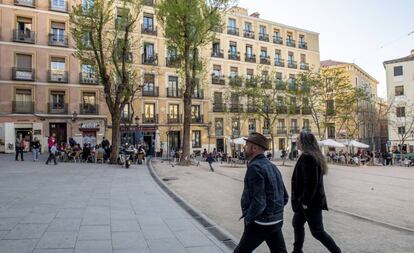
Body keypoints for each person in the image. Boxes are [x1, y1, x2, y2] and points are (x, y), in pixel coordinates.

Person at [234, 132, 288, 253]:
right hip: (277, 220)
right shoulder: (272, 166)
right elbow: (285, 196)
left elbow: (259, 201)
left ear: (254, 148)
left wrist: (249, 218)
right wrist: (274, 212)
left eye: (246, 145)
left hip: (262, 222)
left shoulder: (254, 167)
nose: (244, 148)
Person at [291, 131, 342, 253]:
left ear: (304, 142)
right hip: (306, 202)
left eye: (298, 139)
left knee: (318, 232)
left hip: (310, 203)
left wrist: (305, 202)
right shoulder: (312, 155)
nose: (296, 141)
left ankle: (336, 251)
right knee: (297, 223)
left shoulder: (308, 157)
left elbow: (311, 183)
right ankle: (297, 250)